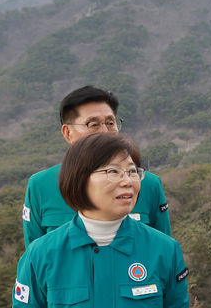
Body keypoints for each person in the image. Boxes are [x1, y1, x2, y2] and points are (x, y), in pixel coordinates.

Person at [12, 133, 189, 308]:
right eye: (113, 171)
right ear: (79, 178)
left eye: (132, 171)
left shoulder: (163, 250)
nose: (127, 180)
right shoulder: (42, 254)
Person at [22, 86, 170, 248]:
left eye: (110, 123)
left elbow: (163, 254)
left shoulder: (147, 184)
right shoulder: (41, 185)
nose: (105, 132)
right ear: (68, 133)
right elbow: (34, 256)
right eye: (93, 124)